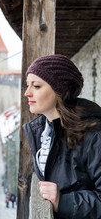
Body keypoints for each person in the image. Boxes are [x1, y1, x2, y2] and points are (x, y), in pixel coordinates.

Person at [23, 54, 101, 219]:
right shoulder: (43, 132)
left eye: (36, 86)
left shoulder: (93, 136)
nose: (27, 93)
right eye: (27, 85)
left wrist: (62, 201)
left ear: (59, 90)